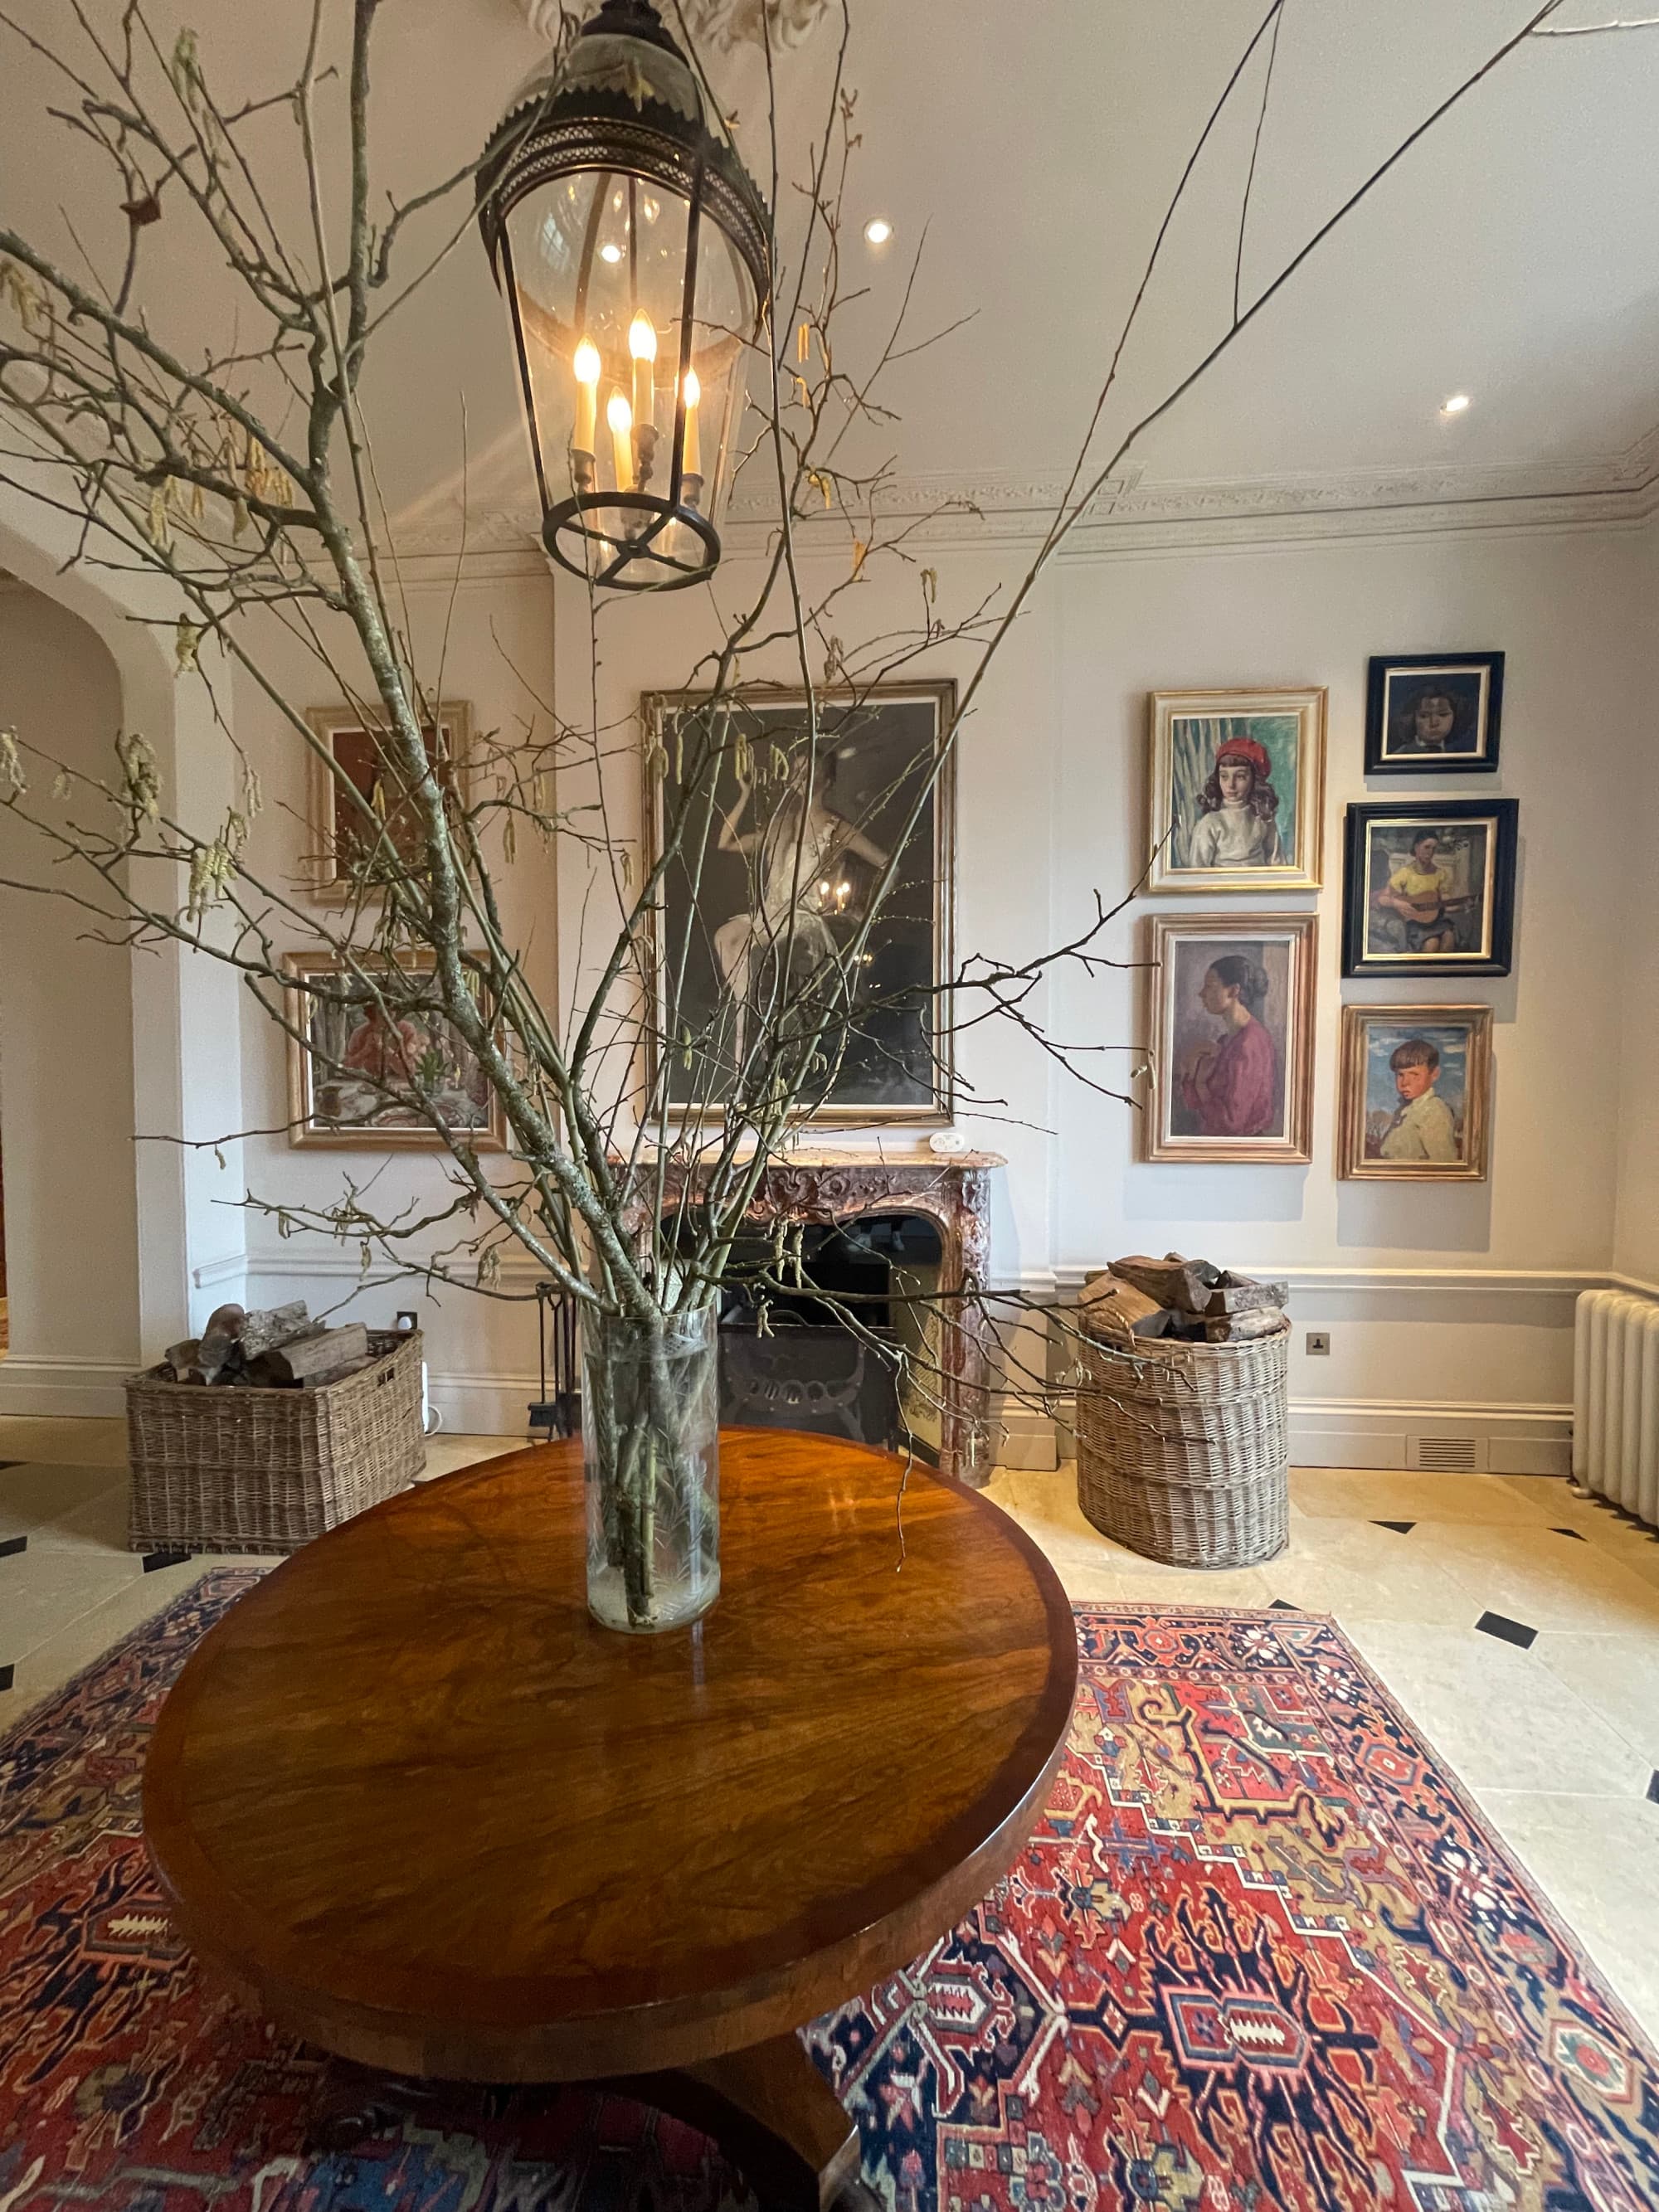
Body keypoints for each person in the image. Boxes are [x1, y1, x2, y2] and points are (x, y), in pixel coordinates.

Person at [712, 745, 889, 1065]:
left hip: (803, 919)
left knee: (747, 948)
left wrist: (862, 911)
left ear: (827, 779)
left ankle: (749, 1033)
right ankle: (744, 1017)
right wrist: (744, 794)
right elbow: (725, 842)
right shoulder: (780, 824)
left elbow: (887, 863)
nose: (800, 776)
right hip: (769, 913)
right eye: (796, 770)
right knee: (725, 935)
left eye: (810, 770)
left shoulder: (835, 828)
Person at [1178, 953, 1277, 1137]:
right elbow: (1192, 1102)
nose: (1201, 993)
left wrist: (1200, 1085)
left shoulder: (1250, 1044)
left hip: (1242, 1150)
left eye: (1209, 986)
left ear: (1233, 991)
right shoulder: (1226, 1041)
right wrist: (1191, 1067)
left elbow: (1231, 1122)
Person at [1185, 732, 1284, 870]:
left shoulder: (1263, 818)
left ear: (1254, 780)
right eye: (1224, 776)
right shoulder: (1210, 823)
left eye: (1240, 777)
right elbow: (1196, 870)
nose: (1230, 784)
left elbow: (1277, 862)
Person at [1374, 829, 1462, 955]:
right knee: (1432, 943)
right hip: (1416, 923)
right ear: (1416, 847)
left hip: (1438, 921)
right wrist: (1398, 904)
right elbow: (1382, 898)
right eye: (1427, 847)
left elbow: (1445, 903)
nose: (1430, 852)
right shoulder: (1405, 874)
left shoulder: (1440, 874)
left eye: (1433, 848)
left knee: (1449, 939)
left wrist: (1460, 906)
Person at [1377, 1038, 1459, 1163]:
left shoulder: (1435, 1111)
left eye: (1414, 1075)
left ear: (1434, 1074)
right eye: (1400, 1075)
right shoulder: (1403, 1111)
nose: (1405, 1083)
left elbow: (1444, 1163)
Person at [1388, 679, 1475, 756]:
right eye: (1424, 716)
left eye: (1443, 715)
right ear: (1412, 719)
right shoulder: (1401, 755)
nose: (1434, 723)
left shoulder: (1460, 755)